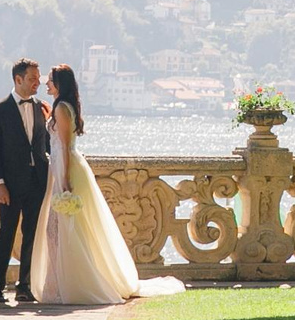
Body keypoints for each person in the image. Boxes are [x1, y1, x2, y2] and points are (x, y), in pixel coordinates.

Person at [30, 64, 183, 306]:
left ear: (59, 84)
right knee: (64, 230)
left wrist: (65, 180)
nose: (45, 84)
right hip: (61, 168)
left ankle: (64, 283)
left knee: (60, 230)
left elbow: (65, 147)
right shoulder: (61, 107)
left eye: (49, 81)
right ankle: (59, 282)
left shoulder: (61, 108)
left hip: (65, 170)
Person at [0, 59, 49, 305]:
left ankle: (25, 286)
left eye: (39, 79)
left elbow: (45, 145)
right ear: (18, 79)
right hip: (9, 184)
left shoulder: (42, 107)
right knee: (6, 234)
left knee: (32, 234)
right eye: (32, 79)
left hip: (37, 182)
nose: (37, 83)